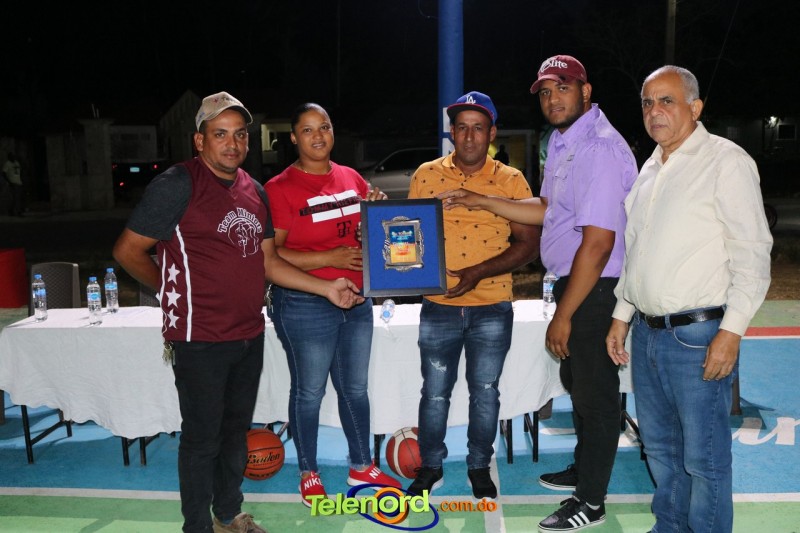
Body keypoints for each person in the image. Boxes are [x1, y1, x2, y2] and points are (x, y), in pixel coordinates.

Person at [112, 91, 364, 533]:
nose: (232, 144)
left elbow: (269, 262)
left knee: (235, 433)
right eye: (220, 134)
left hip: (248, 332)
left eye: (240, 134)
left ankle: (228, 515)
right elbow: (128, 250)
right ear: (200, 140)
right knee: (202, 440)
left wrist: (327, 288)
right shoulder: (178, 184)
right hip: (199, 335)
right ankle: (197, 526)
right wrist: (170, 290)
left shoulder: (253, 190)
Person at [438, 56, 638, 532]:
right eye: (545, 92)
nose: (552, 99)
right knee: (579, 384)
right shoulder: (565, 142)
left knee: (596, 396)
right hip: (577, 283)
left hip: (596, 286)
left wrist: (564, 314)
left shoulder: (600, 147)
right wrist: (483, 200)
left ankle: (591, 500)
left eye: (562, 88)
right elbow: (549, 209)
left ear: (586, 91)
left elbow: (598, 243)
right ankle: (585, 468)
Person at [606, 66, 772, 533]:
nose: (654, 111)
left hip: (699, 336)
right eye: (647, 102)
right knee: (660, 449)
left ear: (695, 108)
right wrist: (621, 315)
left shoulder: (726, 161)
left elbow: (753, 254)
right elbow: (637, 251)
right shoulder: (650, 168)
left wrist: (731, 332)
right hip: (647, 334)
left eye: (667, 101)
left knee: (704, 459)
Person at [263, 103, 401, 507]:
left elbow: (363, 238)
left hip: (355, 300)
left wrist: (375, 213)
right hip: (305, 302)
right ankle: (308, 471)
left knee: (355, 388)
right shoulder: (279, 188)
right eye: (307, 130)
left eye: (323, 127)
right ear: (293, 138)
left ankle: (361, 465)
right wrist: (330, 258)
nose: (317, 136)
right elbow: (273, 255)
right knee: (309, 391)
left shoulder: (351, 178)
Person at [406, 91, 540, 500]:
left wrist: (478, 272)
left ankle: (479, 465)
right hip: (439, 305)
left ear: (492, 133)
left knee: (485, 392)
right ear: (451, 132)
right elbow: (407, 237)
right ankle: (431, 466)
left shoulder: (511, 181)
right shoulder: (426, 175)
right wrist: (377, 235)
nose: (468, 136)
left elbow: (528, 245)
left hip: (492, 305)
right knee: (434, 392)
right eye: (461, 127)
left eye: (478, 128)